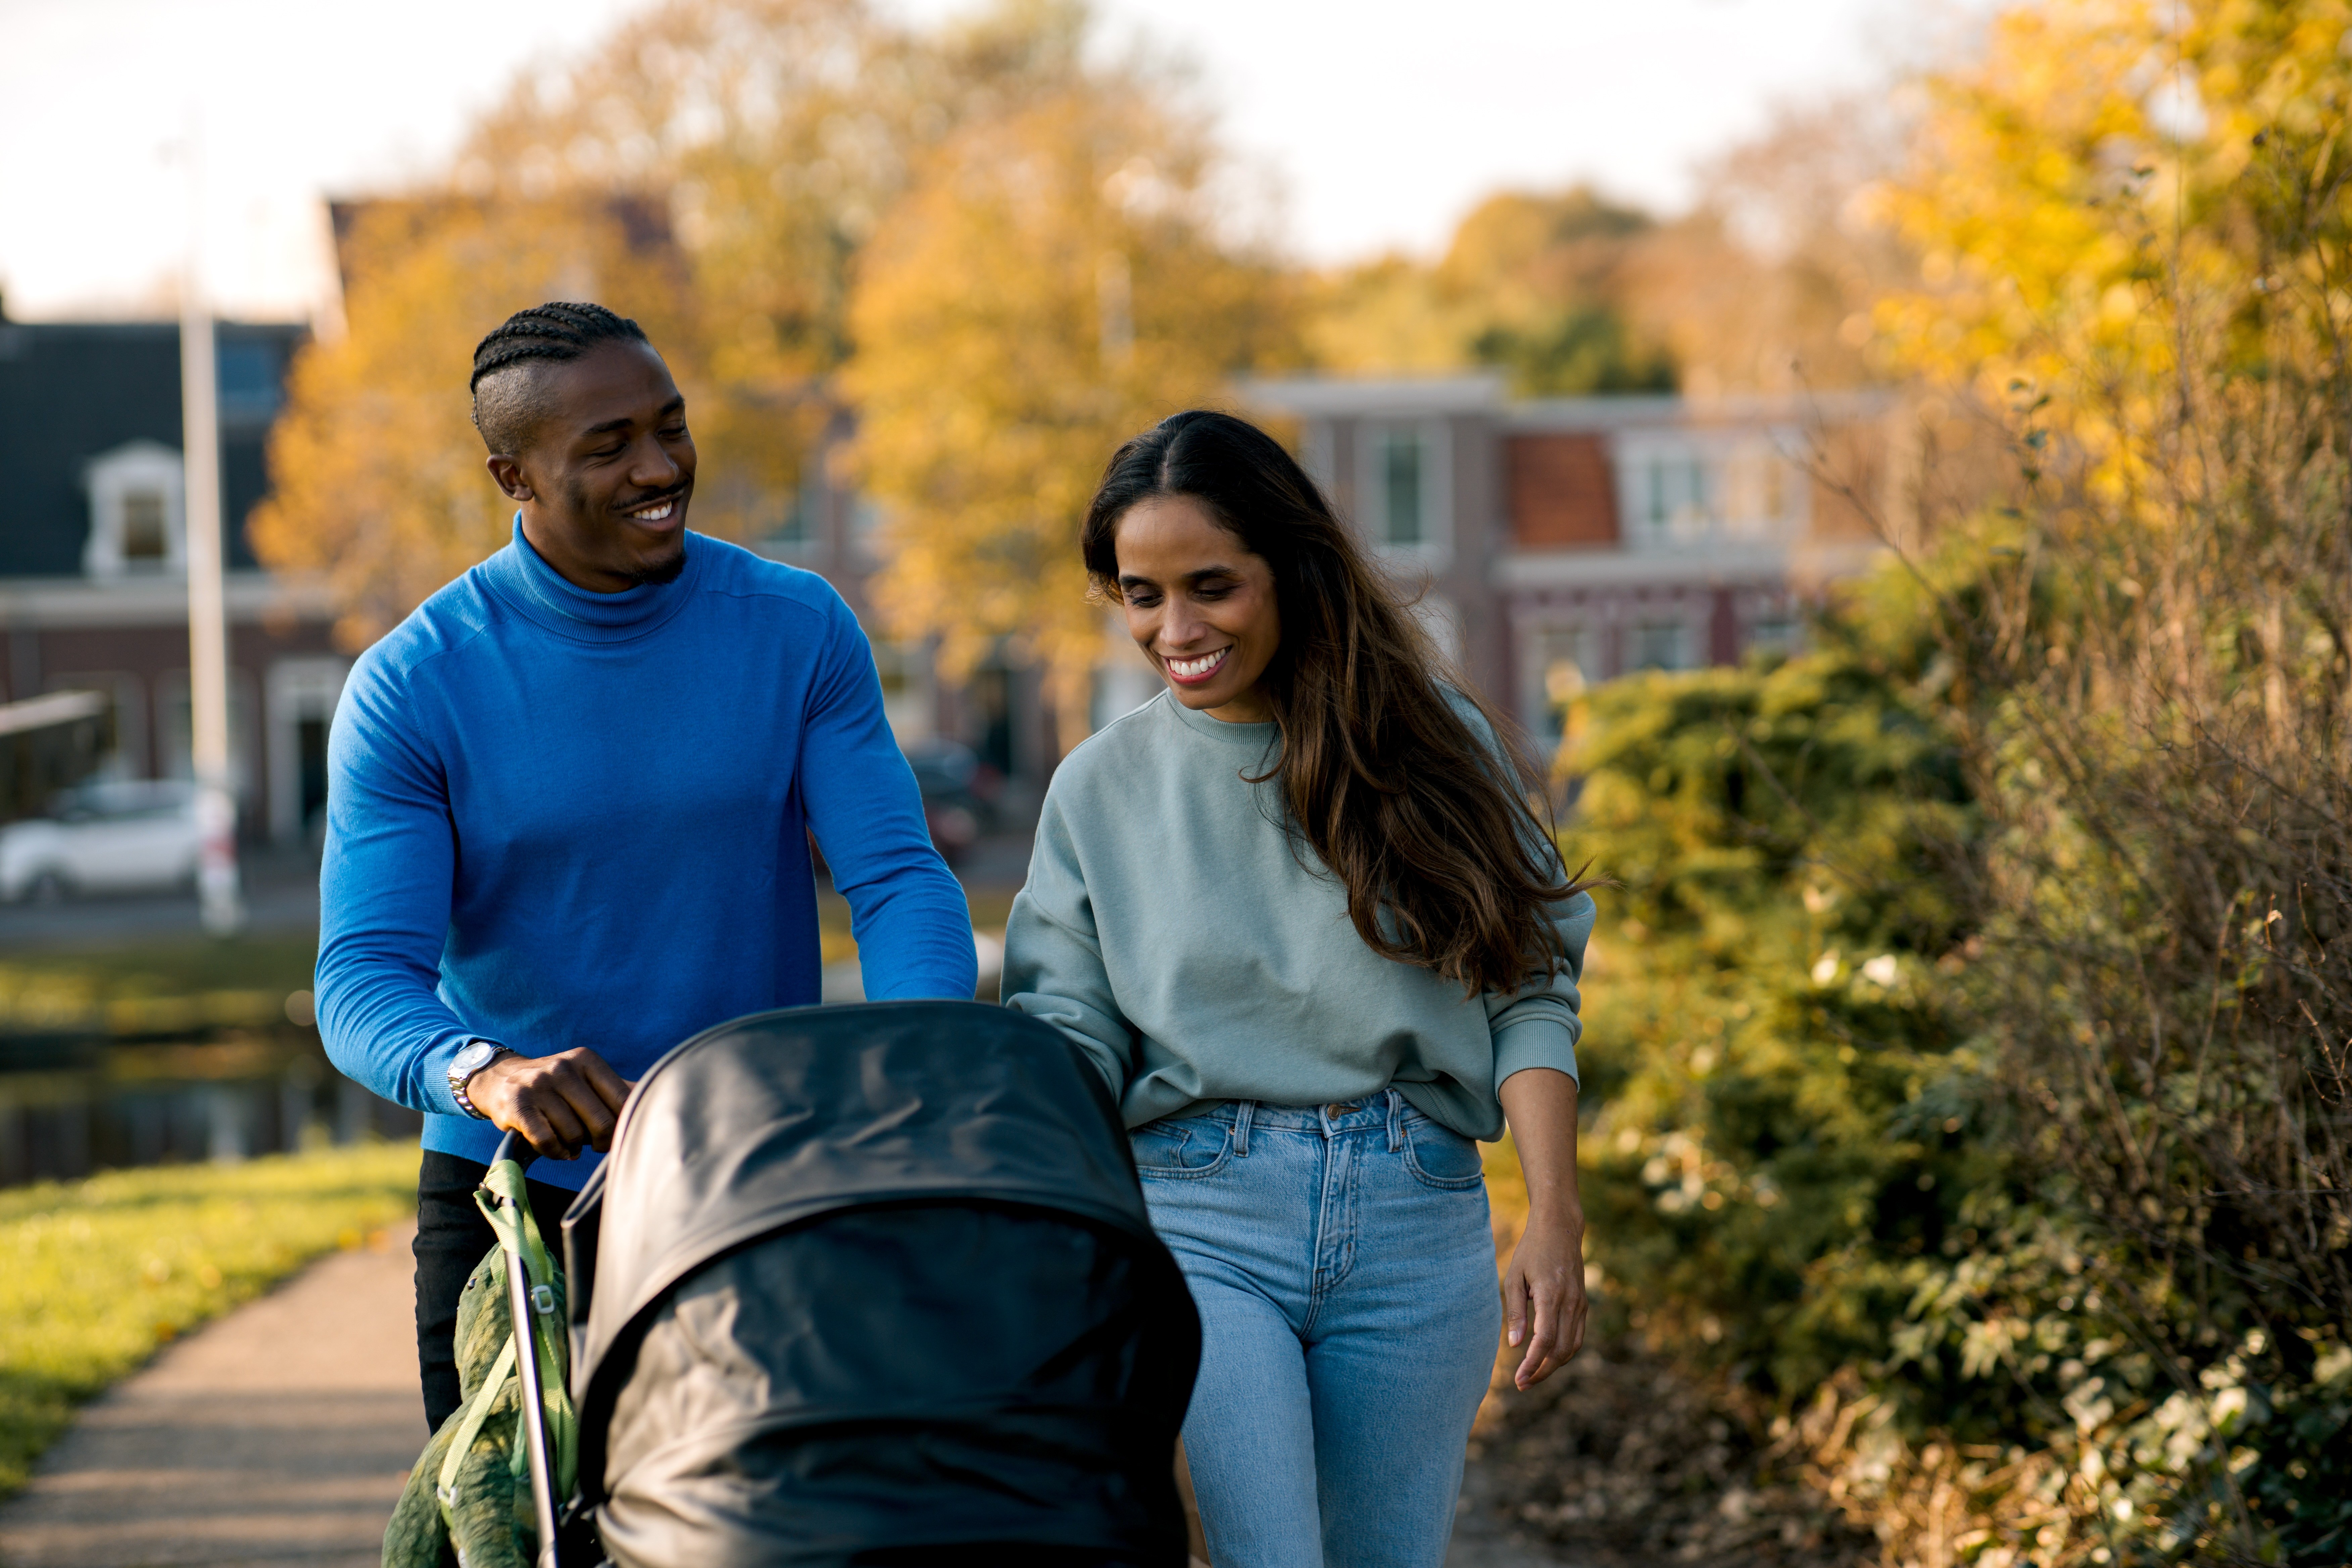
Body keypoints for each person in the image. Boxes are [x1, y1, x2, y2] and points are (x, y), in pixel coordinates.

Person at [316, 301, 976, 1432]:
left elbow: (899, 880)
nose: (661, 467)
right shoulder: (414, 684)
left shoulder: (796, 627)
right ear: (512, 475)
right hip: (515, 1205)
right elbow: (362, 977)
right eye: (609, 445)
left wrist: (907, 1067)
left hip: (757, 1181)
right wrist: (486, 1071)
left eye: (670, 427)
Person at [1000, 409, 1595, 1568]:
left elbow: (1526, 986)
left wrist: (1556, 1214)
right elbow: (1066, 1032)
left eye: (1212, 586)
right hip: (1199, 1216)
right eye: (1141, 595)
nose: (1176, 629)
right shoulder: (1098, 789)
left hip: (1415, 1215)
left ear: (1292, 570)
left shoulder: (1433, 746)